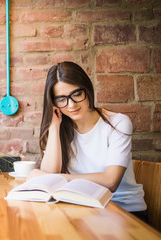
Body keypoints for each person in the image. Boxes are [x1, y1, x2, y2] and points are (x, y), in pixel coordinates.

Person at [28, 61, 148, 222]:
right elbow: (50, 174)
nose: (71, 105)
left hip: (124, 211)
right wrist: (54, 127)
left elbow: (111, 181)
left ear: (87, 89)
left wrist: (57, 177)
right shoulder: (61, 129)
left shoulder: (118, 123)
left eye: (77, 94)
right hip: (83, 208)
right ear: (53, 103)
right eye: (61, 99)